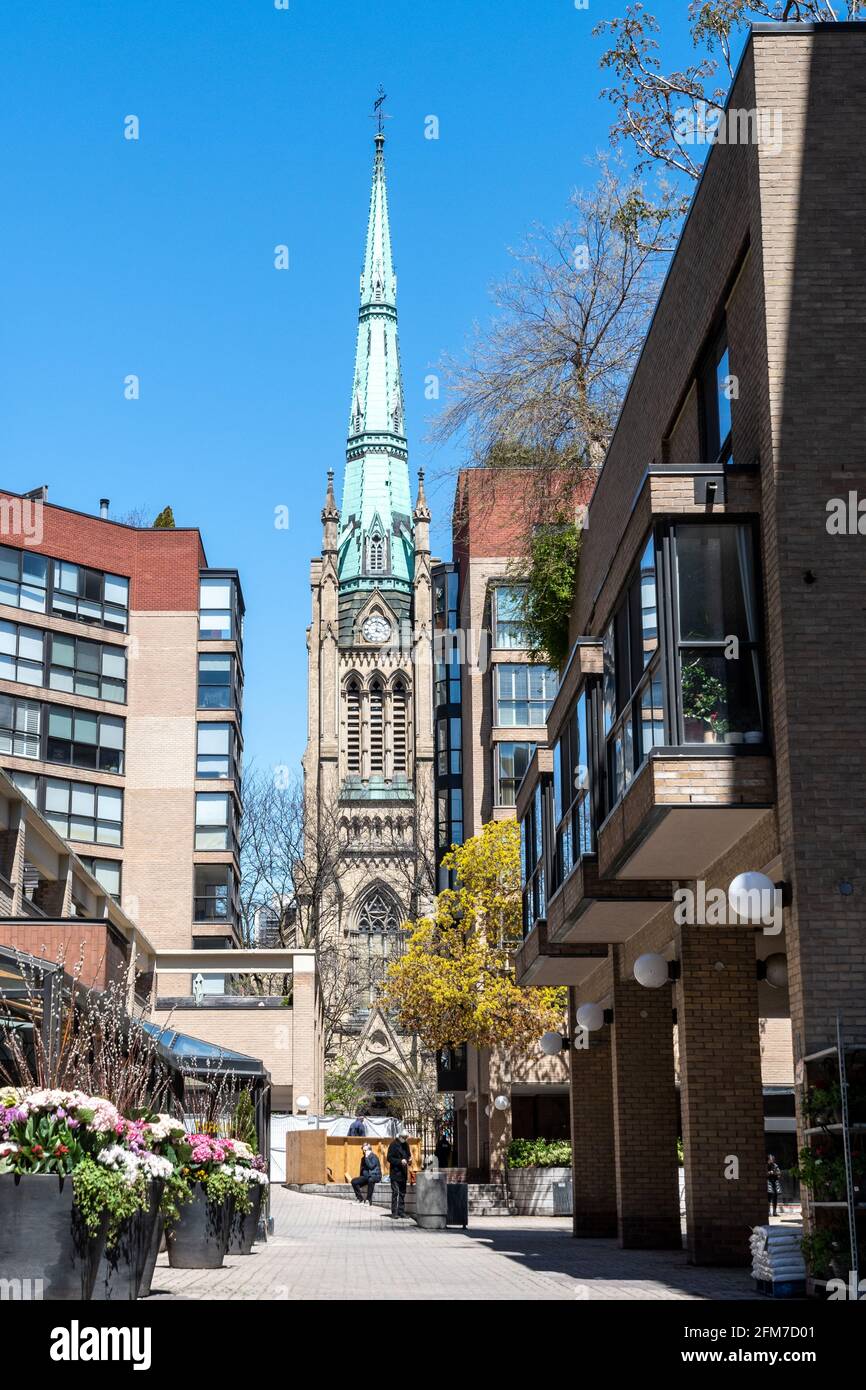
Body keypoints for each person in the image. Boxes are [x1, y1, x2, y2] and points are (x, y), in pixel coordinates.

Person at [387, 1130, 412, 1217]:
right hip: (395, 1172)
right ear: (400, 1136)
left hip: (403, 1172)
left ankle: (401, 1212)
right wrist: (400, 1161)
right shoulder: (393, 1144)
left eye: (406, 1138)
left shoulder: (406, 1145)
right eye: (404, 1137)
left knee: (402, 1193)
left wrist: (409, 1160)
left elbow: (408, 1155)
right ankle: (394, 1212)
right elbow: (389, 1158)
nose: (405, 1139)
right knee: (395, 1192)